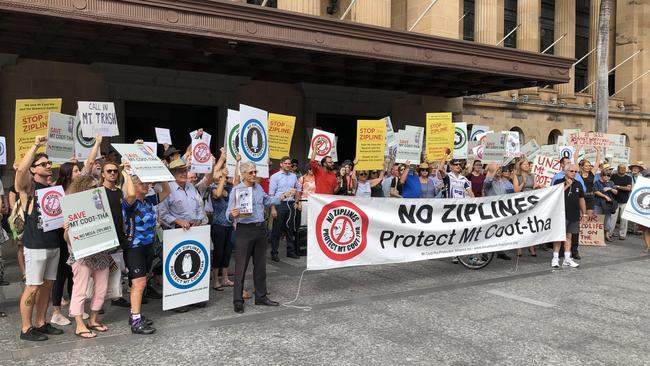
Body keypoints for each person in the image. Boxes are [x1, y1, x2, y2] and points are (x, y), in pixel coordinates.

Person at [15, 135, 65, 341]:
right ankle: (26, 328)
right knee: (33, 286)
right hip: (35, 245)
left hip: (53, 243)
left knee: (47, 285)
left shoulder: (54, 188)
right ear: (34, 169)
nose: (47, 166)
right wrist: (35, 145)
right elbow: (20, 171)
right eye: (42, 164)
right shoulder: (29, 187)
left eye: (49, 163)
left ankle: (41, 322)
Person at [227, 162, 292, 314]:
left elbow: (268, 201)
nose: (254, 174)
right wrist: (232, 215)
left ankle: (261, 296)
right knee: (240, 267)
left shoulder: (258, 188)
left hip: (260, 228)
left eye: (255, 172)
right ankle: (238, 300)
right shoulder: (236, 190)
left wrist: (283, 195)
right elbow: (228, 213)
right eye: (251, 172)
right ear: (243, 174)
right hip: (244, 230)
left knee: (261, 265)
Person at [63, 176, 113, 339]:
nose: (95, 189)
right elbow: (68, 239)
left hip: (101, 253)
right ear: (82, 190)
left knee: (101, 289)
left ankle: (92, 320)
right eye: (91, 187)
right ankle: (79, 325)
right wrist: (68, 229)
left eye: (96, 186)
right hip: (81, 255)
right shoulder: (73, 207)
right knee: (80, 290)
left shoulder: (101, 204)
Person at [122, 167, 171, 334]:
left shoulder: (149, 200)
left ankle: (134, 315)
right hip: (134, 246)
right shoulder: (129, 202)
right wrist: (127, 174)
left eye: (145, 182)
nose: (145, 185)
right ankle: (136, 320)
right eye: (141, 183)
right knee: (139, 283)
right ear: (133, 186)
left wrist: (161, 173)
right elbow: (129, 194)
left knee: (143, 280)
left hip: (148, 245)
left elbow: (167, 191)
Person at [49, 162, 82, 326]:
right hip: (61, 237)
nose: (79, 172)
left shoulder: (80, 190)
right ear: (68, 174)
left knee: (73, 274)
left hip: (77, 237)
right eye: (76, 170)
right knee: (61, 275)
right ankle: (56, 312)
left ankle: (75, 309)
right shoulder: (57, 191)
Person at [209, 152, 238, 290]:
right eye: (221, 175)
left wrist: (237, 162)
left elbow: (237, 181)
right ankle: (215, 280)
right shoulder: (213, 188)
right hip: (218, 225)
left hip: (229, 225)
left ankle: (225, 278)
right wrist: (222, 177)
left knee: (227, 252)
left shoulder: (230, 187)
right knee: (219, 252)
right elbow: (218, 194)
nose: (224, 177)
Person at [552, 164, 586, 269]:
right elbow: (554, 195)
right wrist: (567, 185)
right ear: (565, 172)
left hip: (574, 214)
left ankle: (567, 258)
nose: (574, 173)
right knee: (558, 236)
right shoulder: (558, 182)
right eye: (572, 171)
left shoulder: (578, 183)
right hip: (561, 213)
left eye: (576, 171)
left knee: (569, 236)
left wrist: (584, 213)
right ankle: (555, 258)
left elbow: (581, 199)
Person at [269, 156, 302, 261]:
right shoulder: (275, 176)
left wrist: (297, 201)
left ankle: (290, 251)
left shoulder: (293, 176)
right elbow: (271, 194)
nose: (288, 165)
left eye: (289, 164)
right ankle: (274, 253)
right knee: (277, 230)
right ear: (281, 164)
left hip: (290, 204)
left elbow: (298, 188)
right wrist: (273, 209)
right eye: (286, 163)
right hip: (279, 204)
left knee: (290, 229)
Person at [483, 163, 515, 261]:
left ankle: (500, 251)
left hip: (502, 209)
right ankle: (484, 252)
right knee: (489, 232)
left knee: (501, 231)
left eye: (500, 169)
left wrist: (514, 178)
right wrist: (492, 172)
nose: (499, 171)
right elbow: (486, 184)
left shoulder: (503, 181)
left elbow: (512, 191)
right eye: (497, 169)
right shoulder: (489, 181)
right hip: (492, 210)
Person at [514, 158, 539, 257]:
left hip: (531, 201)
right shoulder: (517, 176)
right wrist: (523, 183)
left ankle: (531, 246)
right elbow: (516, 190)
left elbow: (534, 187)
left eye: (527, 164)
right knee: (520, 224)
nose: (526, 166)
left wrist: (538, 187)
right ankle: (519, 247)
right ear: (520, 166)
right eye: (524, 164)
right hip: (521, 202)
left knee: (531, 224)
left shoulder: (532, 175)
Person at [593, 169, 618, 242]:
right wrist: (605, 196)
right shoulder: (597, 182)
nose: (607, 177)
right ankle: (597, 235)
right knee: (598, 219)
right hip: (598, 203)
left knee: (607, 220)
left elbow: (616, 192)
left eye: (608, 176)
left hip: (608, 204)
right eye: (605, 176)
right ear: (602, 175)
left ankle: (606, 235)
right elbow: (596, 191)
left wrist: (609, 188)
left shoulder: (611, 183)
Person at [611, 164, 632, 240]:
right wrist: (623, 187)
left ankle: (622, 235)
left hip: (624, 201)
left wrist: (618, 187)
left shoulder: (628, 178)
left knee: (624, 219)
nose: (622, 169)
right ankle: (609, 233)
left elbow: (628, 189)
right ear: (618, 169)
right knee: (612, 219)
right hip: (614, 200)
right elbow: (611, 186)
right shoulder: (613, 177)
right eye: (621, 168)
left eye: (624, 168)